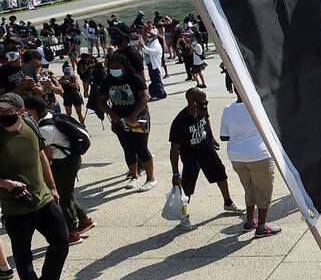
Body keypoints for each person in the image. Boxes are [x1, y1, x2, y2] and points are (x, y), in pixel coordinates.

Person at [0, 93, 70, 280]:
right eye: (0, 112)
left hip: (43, 199)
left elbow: (41, 155)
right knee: (23, 257)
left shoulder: (30, 125)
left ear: (21, 111)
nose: (4, 115)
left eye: (9, 112)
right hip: (15, 208)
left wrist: (52, 186)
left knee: (61, 241)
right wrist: (7, 184)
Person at [25, 96, 94, 245]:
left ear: (33, 111)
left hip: (64, 163)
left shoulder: (44, 129)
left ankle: (72, 233)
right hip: (70, 159)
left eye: (27, 111)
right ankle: (84, 221)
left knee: (62, 198)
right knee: (66, 193)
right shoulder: (53, 117)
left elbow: (46, 154)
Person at [170, 88, 240, 229]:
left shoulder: (202, 108)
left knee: (221, 175)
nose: (206, 103)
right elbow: (174, 150)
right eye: (203, 100)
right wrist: (175, 173)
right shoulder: (180, 121)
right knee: (187, 188)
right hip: (190, 156)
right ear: (192, 102)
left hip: (207, 150)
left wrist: (212, 137)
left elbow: (206, 119)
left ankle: (228, 202)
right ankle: (185, 216)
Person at [218, 94, 279, 237]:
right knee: (264, 190)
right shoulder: (258, 106)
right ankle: (262, 226)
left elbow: (224, 137)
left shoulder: (227, 109)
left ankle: (250, 221)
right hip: (259, 154)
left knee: (249, 187)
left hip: (236, 156)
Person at [100, 52, 156, 191]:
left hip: (138, 117)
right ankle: (134, 176)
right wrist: (112, 114)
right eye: (111, 66)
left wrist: (134, 114)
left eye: (117, 66)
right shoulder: (108, 81)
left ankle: (151, 179)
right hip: (119, 119)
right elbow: (101, 101)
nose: (114, 68)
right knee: (127, 148)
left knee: (141, 147)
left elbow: (144, 97)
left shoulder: (135, 78)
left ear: (124, 66)